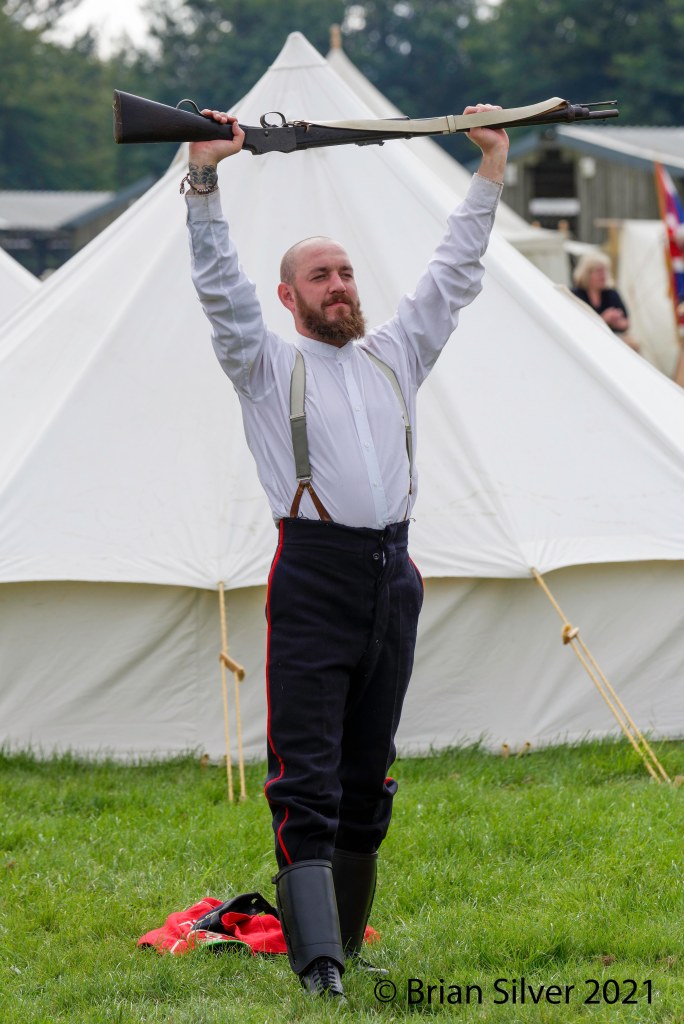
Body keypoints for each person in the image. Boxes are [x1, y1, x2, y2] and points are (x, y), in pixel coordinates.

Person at [183, 104, 509, 1001]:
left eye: (346, 272)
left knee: (370, 770)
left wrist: (490, 167)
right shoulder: (263, 365)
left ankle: (349, 947)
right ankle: (317, 962)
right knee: (307, 774)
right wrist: (204, 180)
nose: (339, 286)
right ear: (288, 297)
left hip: (393, 578)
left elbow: (454, 274)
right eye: (320, 276)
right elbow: (218, 287)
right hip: (313, 577)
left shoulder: (395, 355)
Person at [571, 251, 640, 351]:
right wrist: (604, 319)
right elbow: (576, 325)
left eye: (605, 271)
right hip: (586, 342)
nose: (603, 275)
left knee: (633, 346)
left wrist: (615, 321)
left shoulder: (611, 294)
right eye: (599, 271)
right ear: (587, 273)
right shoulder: (576, 295)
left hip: (613, 340)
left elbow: (626, 323)